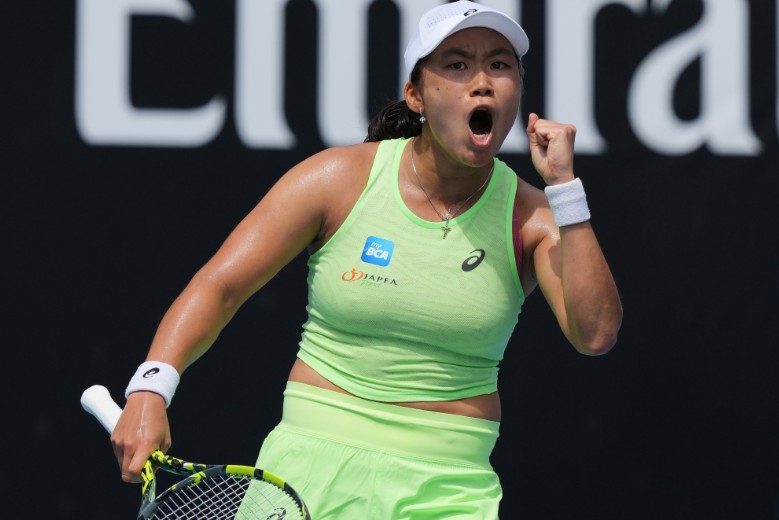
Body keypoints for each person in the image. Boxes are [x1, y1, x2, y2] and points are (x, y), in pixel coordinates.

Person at [111, 1, 623, 517]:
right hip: (308, 469)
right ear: (416, 95)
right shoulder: (336, 180)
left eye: (499, 64)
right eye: (457, 64)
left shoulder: (536, 217)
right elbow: (219, 287)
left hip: (450, 490)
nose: (482, 82)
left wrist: (565, 191)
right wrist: (150, 389)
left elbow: (595, 333)